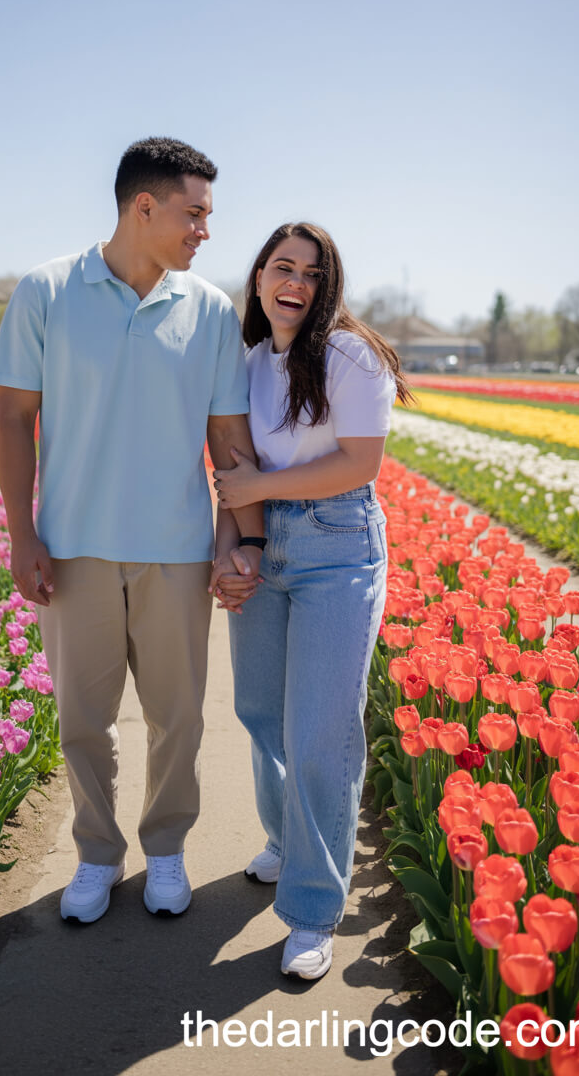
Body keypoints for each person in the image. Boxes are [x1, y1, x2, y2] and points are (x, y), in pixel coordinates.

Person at [0, 138, 263, 925]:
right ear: (144, 207)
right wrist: (21, 535)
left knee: (179, 716)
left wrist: (238, 542)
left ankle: (167, 851)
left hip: (176, 551)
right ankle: (97, 856)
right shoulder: (46, 291)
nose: (205, 230)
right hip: (72, 548)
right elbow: (13, 419)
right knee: (84, 719)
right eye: (195, 212)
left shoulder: (208, 309)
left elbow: (229, 442)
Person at [212, 221, 412, 980]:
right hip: (265, 542)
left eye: (313, 274)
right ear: (260, 276)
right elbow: (227, 471)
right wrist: (229, 548)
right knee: (262, 712)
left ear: (329, 288)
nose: (296, 282)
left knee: (321, 730)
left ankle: (311, 910)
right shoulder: (248, 361)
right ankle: (287, 840)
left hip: (338, 546)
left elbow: (360, 463)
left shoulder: (349, 354)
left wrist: (259, 490)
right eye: (283, 267)